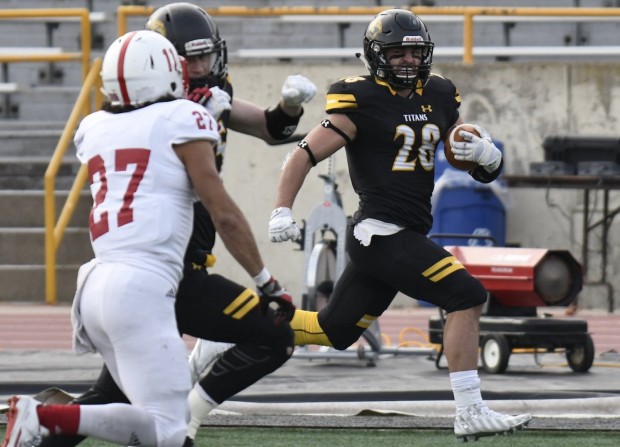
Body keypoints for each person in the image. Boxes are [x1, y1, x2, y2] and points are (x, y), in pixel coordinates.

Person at [34, 3, 316, 447]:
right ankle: (189, 413)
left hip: (112, 276)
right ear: (164, 62)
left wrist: (288, 107)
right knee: (267, 342)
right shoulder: (177, 113)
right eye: (189, 59)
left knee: (114, 396)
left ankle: (36, 430)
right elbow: (204, 185)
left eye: (206, 56)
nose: (201, 67)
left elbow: (268, 127)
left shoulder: (106, 122)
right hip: (165, 271)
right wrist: (265, 280)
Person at [268, 9, 532, 442]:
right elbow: (302, 154)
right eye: (397, 52)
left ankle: (232, 330)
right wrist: (282, 208)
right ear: (377, 56)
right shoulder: (360, 98)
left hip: (401, 234)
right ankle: (469, 410)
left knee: (333, 330)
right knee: (466, 294)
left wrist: (488, 156)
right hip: (381, 233)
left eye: (415, 51)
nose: (408, 60)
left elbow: (474, 162)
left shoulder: (441, 94)